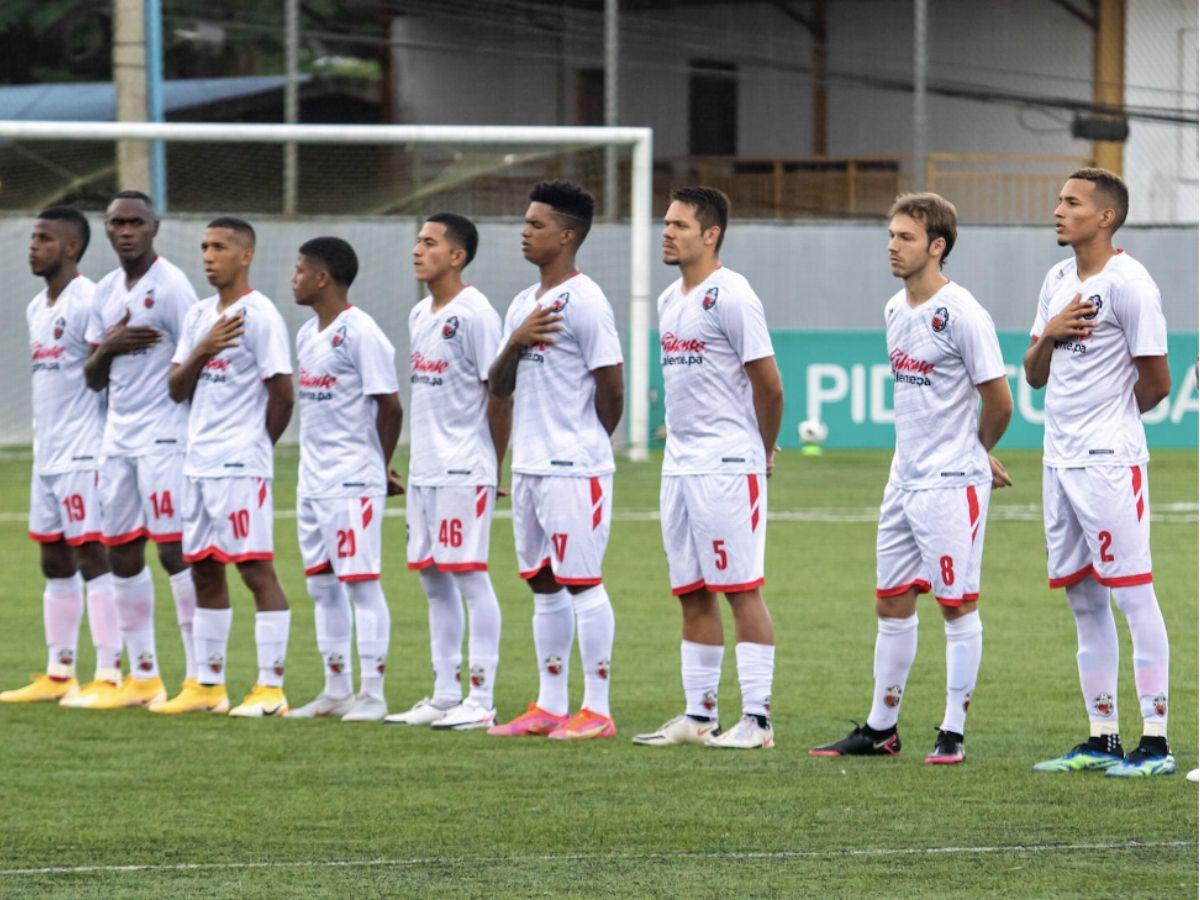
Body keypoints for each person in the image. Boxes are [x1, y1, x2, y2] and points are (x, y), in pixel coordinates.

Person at [809, 192, 1012, 764]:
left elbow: (999, 402)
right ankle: (881, 729)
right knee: (893, 602)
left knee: (955, 605)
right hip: (903, 480)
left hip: (950, 484)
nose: (893, 248)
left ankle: (952, 732)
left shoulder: (963, 313)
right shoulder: (895, 310)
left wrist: (974, 454)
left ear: (937, 246)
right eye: (890, 237)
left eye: (905, 238)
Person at [1024, 168, 1174, 777]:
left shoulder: (1131, 283)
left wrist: (1110, 423)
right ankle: (1102, 736)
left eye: (1072, 202)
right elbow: (1034, 374)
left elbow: (1157, 380)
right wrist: (1051, 334)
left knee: (1133, 595)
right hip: (1057, 462)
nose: (1058, 210)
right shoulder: (1057, 279)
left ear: (1105, 218)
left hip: (1109, 463)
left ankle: (1156, 744)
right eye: (1059, 199)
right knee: (1084, 599)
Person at [631, 187, 784, 750]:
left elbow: (769, 387)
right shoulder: (671, 299)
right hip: (680, 467)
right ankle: (699, 715)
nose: (667, 233)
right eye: (665, 223)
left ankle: (759, 721)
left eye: (679, 225)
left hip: (726, 463)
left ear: (711, 234)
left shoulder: (732, 295)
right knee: (692, 592)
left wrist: (761, 450)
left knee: (741, 590)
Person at [486, 181, 624, 741]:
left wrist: (587, 443)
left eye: (536, 224)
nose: (525, 231)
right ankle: (549, 704)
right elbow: (498, 386)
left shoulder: (587, 300)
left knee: (583, 583)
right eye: (525, 222)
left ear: (566, 235)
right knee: (543, 583)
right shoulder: (523, 304)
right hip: (529, 467)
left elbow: (611, 387)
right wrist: (516, 341)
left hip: (574, 468)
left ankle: (597, 708)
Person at [154, 217, 295, 717]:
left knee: (256, 570)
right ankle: (208, 686)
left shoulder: (260, 315)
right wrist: (204, 348)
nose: (209, 256)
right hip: (197, 465)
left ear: (246, 255)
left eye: (220, 247)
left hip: (239, 466)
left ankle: (270, 689)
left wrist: (255, 448)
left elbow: (282, 394)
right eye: (204, 247)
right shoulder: (198, 317)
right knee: (205, 571)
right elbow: (175, 388)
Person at [386, 213, 509, 730]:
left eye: (430, 242)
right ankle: (443, 692)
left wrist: (494, 465)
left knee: (469, 576)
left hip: (465, 468)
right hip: (426, 469)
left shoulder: (477, 314)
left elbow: (499, 392)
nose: (418, 250)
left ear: (457, 256)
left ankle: (481, 698)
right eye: (417, 240)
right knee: (433, 579)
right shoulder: (420, 314)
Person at [82, 191, 200, 708]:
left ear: (155, 227)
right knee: (121, 550)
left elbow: (196, 362)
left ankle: (202, 676)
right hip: (118, 439)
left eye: (135, 222)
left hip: (165, 436)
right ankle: (144, 675)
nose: (125, 231)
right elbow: (90, 377)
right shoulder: (105, 290)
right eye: (116, 224)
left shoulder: (173, 288)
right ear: (106, 230)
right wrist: (109, 347)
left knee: (173, 550)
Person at [1, 206, 121, 708]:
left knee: (94, 554)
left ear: (71, 248)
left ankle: (111, 672)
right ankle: (58, 672)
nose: (34, 246)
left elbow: (108, 375)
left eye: (45, 239)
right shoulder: (37, 307)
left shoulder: (89, 300)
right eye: (33, 237)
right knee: (53, 557)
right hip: (47, 455)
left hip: (84, 453)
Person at [285, 236, 401, 723]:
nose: (292, 278)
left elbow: (390, 404)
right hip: (312, 480)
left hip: (352, 479)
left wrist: (378, 464)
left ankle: (373, 694)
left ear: (322, 277)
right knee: (321, 586)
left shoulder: (361, 333)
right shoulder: (308, 333)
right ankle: (336, 688)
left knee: (360, 583)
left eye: (298, 270)